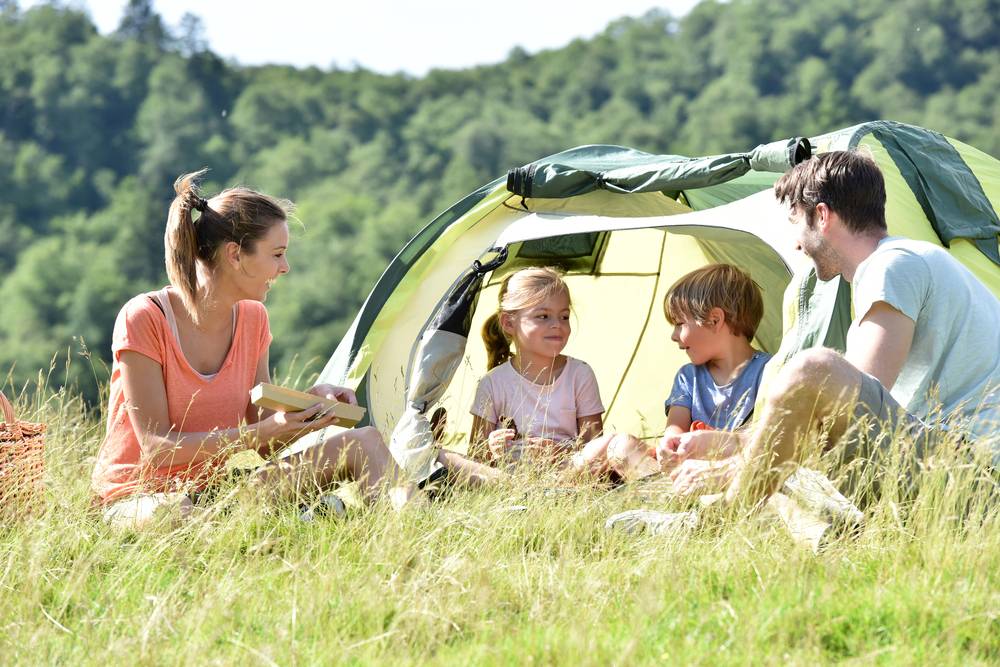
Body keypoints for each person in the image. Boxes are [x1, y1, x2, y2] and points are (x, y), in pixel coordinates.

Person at [665, 150, 1000, 504]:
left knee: (814, 368)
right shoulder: (903, 263)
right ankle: (705, 515)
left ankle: (728, 509)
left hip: (973, 468)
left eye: (796, 221)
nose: (796, 243)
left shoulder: (893, 265)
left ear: (822, 216)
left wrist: (735, 464)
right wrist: (733, 442)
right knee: (788, 484)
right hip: (945, 460)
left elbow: (841, 413)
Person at [92, 170, 413, 528]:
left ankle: (403, 539)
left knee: (365, 442)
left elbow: (263, 442)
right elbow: (157, 447)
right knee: (177, 512)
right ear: (235, 255)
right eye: (277, 254)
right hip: (139, 499)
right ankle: (298, 520)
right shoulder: (144, 318)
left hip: (217, 493)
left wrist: (309, 408)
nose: (285, 268)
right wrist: (262, 432)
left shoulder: (253, 318)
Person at [468, 267, 646, 477]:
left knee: (619, 443)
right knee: (451, 460)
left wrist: (557, 452)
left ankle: (655, 483)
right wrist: (492, 447)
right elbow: (476, 457)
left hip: (570, 472)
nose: (557, 325)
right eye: (543, 316)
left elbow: (594, 447)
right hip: (514, 477)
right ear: (508, 323)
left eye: (564, 316)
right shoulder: (492, 383)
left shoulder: (579, 374)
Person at [655, 264, 771, 469]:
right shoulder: (687, 377)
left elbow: (772, 438)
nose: (673, 336)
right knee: (622, 445)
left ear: (715, 320)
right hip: (691, 470)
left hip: (741, 469)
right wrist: (669, 445)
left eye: (679, 323)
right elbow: (674, 431)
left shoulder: (769, 371)